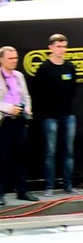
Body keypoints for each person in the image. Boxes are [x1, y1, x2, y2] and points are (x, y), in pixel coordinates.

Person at [32, 35, 78, 197]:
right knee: (50, 151)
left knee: (69, 151)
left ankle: (68, 184)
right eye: (58, 46)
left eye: (64, 46)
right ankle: (49, 186)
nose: (62, 50)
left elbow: (73, 90)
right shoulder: (44, 69)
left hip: (68, 114)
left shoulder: (70, 67)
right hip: (49, 116)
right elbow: (37, 93)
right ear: (50, 47)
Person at [0, 46, 39, 205]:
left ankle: (22, 190)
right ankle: (0, 193)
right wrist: (9, 108)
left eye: (15, 58)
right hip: (4, 121)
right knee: (2, 158)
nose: (14, 61)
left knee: (21, 157)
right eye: (10, 58)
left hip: (20, 120)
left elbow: (26, 96)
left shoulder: (19, 75)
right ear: (1, 59)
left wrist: (27, 108)